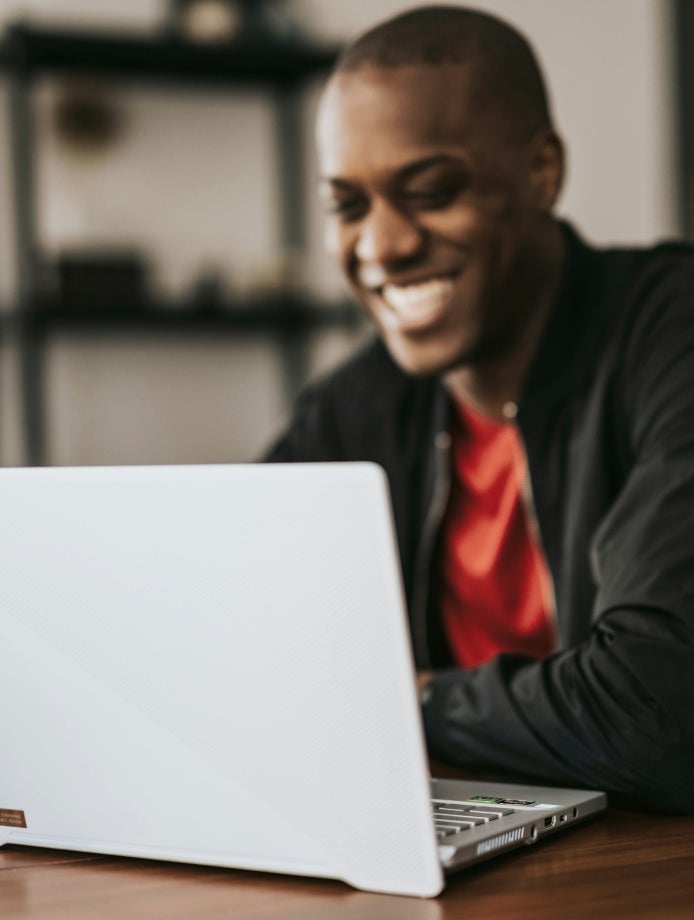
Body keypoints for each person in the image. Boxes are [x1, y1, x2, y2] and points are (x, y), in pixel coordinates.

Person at [265, 5, 694, 813]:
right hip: (460, 839)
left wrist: (415, 698)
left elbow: (657, 713)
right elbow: (239, 636)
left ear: (543, 172)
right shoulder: (355, 405)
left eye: (431, 192)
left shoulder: (671, 335)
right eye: (347, 206)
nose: (382, 245)